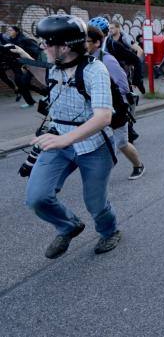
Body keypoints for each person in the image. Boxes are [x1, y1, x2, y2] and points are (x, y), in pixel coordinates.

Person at [10, 15, 121, 259]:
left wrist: (65, 140)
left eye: (47, 43)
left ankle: (110, 231)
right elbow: (49, 83)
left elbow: (103, 117)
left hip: (93, 145)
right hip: (58, 138)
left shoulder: (96, 70)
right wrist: (22, 59)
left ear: (65, 46)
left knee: (95, 203)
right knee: (36, 197)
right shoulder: (56, 67)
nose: (43, 47)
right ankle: (68, 226)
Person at [86, 26, 145, 180]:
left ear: (97, 43)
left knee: (121, 143)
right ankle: (99, 174)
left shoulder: (107, 59)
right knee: (99, 143)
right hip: (96, 109)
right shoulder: (84, 61)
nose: (83, 45)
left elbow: (123, 85)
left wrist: (121, 105)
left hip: (116, 107)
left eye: (87, 41)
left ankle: (138, 165)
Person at [2, 25, 44, 107]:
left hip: (30, 64)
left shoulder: (24, 40)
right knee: (20, 82)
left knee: (23, 82)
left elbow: (36, 52)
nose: (9, 32)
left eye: (11, 30)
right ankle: (35, 98)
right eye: (8, 30)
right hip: (18, 66)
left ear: (16, 32)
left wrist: (30, 63)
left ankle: (42, 94)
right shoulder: (10, 41)